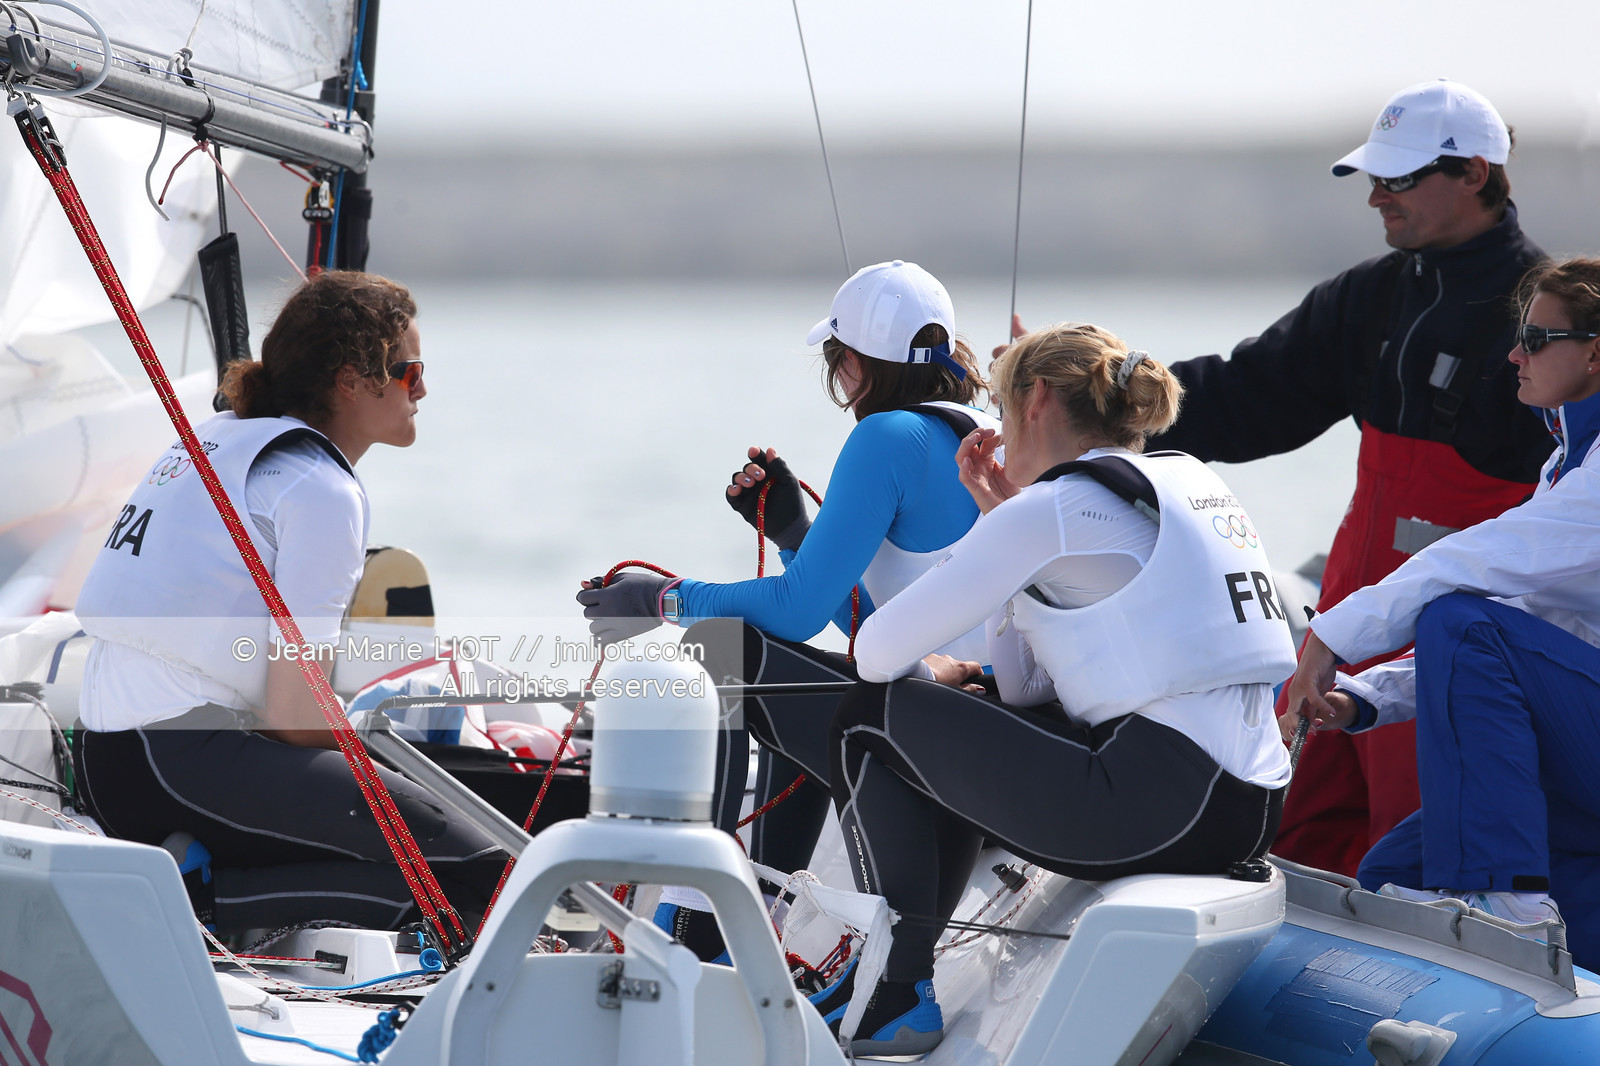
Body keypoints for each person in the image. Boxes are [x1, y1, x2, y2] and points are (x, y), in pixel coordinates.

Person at [809, 323, 1297, 1057]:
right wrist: (996, 525)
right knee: (975, 708)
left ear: (1036, 400)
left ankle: (897, 990)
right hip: (1246, 804)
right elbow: (1025, 685)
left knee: (870, 714)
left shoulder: (1060, 507)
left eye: (1001, 417)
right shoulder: (1186, 482)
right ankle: (896, 978)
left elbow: (876, 653)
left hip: (1160, 802)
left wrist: (981, 573)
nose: (998, 441)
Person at [1144, 78, 1552, 876]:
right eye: (1373, 177)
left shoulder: (1541, 318)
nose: (1376, 198)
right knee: (1289, 827)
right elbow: (1245, 395)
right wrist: (1110, 401)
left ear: (1475, 174)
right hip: (1339, 628)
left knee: (1423, 847)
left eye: (1398, 179)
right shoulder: (1368, 296)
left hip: (1446, 646)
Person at [575, 260, 998, 961]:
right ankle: (761, 908)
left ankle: (705, 917)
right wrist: (797, 535)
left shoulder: (888, 436)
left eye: (836, 363)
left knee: (729, 645)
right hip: (988, 724)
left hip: (945, 734)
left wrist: (656, 598)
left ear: (855, 364)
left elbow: (797, 612)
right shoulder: (989, 431)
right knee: (807, 672)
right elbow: (882, 630)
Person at [71, 271, 504, 934]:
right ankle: (197, 904)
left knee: (418, 832)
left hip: (112, 760)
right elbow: (294, 717)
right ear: (350, 380)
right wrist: (393, 767)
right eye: (409, 371)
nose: (422, 389)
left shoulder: (222, 437)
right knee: (487, 870)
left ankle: (213, 887)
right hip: (179, 762)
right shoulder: (320, 488)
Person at [1281, 256, 1600, 968]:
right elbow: (1533, 623)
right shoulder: (1566, 463)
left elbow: (1469, 572)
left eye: (1537, 338)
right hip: (1585, 749)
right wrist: (1361, 699)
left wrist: (1327, 637)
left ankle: (1509, 899)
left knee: (1457, 616)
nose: (1515, 353)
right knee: (1392, 875)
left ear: (1595, 353)